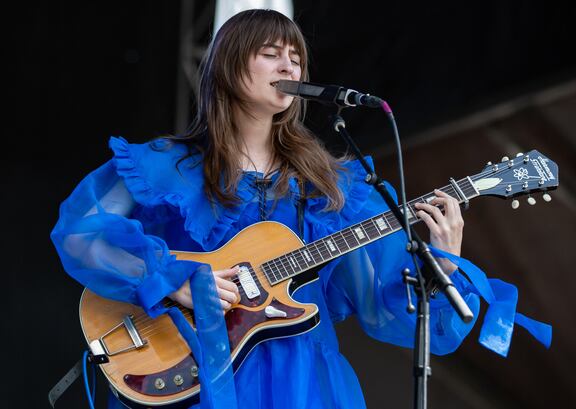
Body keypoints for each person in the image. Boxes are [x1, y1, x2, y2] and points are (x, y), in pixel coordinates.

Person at [51, 9, 482, 409]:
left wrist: (445, 260)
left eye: (296, 59)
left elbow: (380, 306)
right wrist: (171, 281)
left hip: (304, 381)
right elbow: (80, 234)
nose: (289, 68)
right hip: (194, 363)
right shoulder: (168, 164)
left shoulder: (333, 185)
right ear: (227, 66)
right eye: (271, 54)